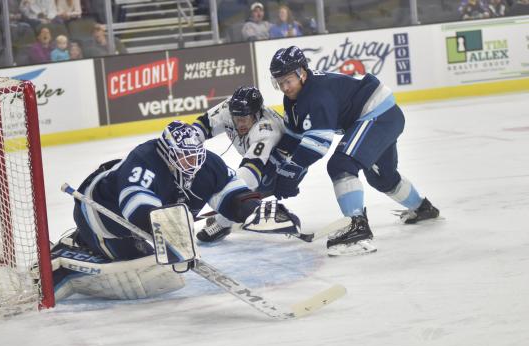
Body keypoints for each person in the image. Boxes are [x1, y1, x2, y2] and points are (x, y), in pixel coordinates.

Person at [50, 121, 300, 300]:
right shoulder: (144, 161)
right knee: (140, 267)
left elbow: (234, 195)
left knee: (160, 270)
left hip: (134, 219)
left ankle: (81, 241)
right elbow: (137, 211)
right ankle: (68, 259)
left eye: (196, 157)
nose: (192, 164)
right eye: (184, 158)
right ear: (168, 153)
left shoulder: (207, 163)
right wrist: (173, 236)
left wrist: (255, 211)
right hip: (99, 213)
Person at [269, 46, 440, 256]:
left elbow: (318, 144)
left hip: (378, 115)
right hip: (384, 115)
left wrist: (292, 171)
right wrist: (276, 170)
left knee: (341, 165)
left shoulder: (316, 95)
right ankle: (423, 209)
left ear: (302, 73)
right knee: (382, 178)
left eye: (288, 80)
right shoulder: (295, 98)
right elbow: (293, 138)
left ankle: (357, 226)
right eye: (279, 82)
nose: (285, 87)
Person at [191, 86, 292, 243]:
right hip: (257, 158)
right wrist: (186, 148)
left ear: (256, 114)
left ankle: (222, 224)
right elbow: (203, 125)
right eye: (236, 119)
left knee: (240, 186)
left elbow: (250, 172)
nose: (239, 124)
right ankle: (232, 212)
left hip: (283, 166)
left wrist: (226, 199)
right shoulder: (229, 109)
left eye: (244, 119)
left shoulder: (266, 129)